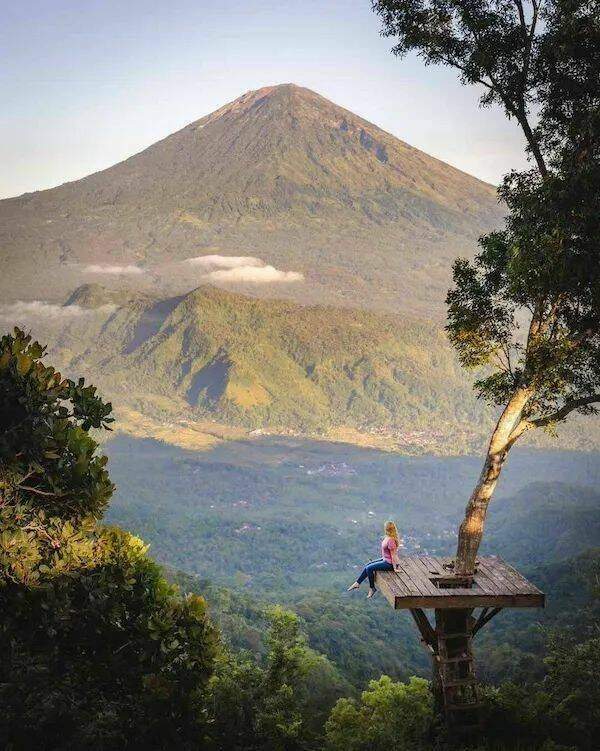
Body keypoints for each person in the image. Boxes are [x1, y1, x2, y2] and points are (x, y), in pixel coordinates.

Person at [347, 520, 401, 598]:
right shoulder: (387, 537)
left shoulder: (391, 540)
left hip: (390, 564)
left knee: (369, 568)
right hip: (385, 559)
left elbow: (393, 555)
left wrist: (395, 568)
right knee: (368, 565)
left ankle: (372, 588)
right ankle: (357, 583)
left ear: (386, 529)